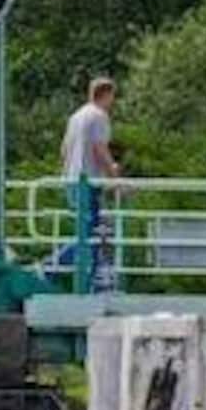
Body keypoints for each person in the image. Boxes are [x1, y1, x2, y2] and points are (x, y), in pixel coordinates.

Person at [51, 77, 122, 291]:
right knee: (88, 235)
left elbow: (64, 149)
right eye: (113, 96)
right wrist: (114, 176)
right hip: (88, 182)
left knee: (89, 233)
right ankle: (50, 267)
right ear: (106, 94)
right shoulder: (99, 116)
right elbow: (99, 148)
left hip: (72, 179)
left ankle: (91, 281)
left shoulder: (76, 116)